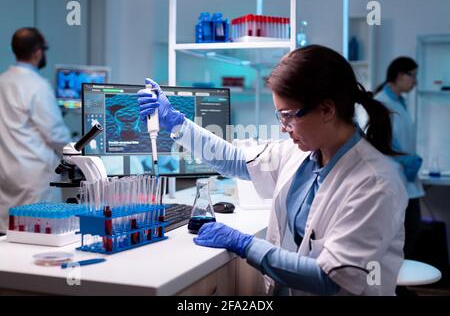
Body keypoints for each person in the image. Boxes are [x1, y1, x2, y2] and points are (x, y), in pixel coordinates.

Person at [138, 45, 408, 296]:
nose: (283, 127)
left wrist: (245, 245)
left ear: (327, 109)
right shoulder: (302, 154)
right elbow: (233, 161)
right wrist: (176, 123)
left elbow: (332, 278)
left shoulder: (374, 182)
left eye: (289, 115)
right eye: (280, 116)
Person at [0, 28, 71, 234]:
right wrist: (79, 153)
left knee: (9, 235)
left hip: (6, 172)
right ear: (38, 52)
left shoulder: (2, 81)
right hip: (34, 177)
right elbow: (55, 134)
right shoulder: (37, 86)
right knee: (37, 233)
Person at [372, 57, 424, 259]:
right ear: (401, 75)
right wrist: (404, 159)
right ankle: (392, 287)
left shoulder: (399, 102)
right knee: (399, 236)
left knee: (411, 231)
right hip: (391, 178)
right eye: (413, 76)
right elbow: (379, 142)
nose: (415, 81)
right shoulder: (381, 104)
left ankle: (397, 286)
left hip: (404, 178)